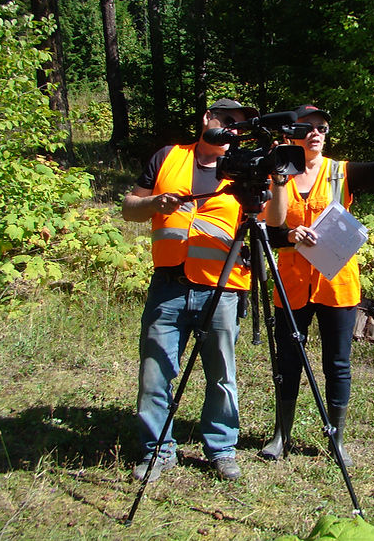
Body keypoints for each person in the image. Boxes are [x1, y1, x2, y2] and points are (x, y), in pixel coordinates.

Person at [261, 104, 374, 466]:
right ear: (290, 133)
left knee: (338, 363)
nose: (316, 132)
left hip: (337, 281)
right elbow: (270, 227)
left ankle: (336, 439)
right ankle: (281, 434)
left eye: (323, 128)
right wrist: (289, 233)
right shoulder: (275, 172)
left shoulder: (339, 172)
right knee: (288, 361)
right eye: (308, 126)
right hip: (292, 282)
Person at [122, 97, 259, 483]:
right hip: (168, 284)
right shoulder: (168, 156)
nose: (232, 127)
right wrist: (152, 202)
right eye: (226, 119)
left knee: (221, 374)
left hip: (222, 288)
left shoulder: (245, 170)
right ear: (206, 118)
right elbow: (129, 207)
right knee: (155, 371)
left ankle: (221, 449)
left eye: (240, 124)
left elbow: (274, 221)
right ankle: (157, 452)